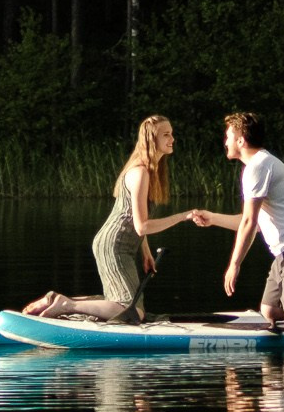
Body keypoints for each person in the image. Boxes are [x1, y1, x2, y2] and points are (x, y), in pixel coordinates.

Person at [22, 112, 191, 322]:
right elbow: (142, 226)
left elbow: (135, 218)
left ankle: (54, 300)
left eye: (171, 134)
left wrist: (145, 251)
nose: (172, 139)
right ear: (151, 139)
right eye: (166, 134)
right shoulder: (140, 173)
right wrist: (183, 216)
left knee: (120, 302)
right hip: (115, 245)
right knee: (132, 311)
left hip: (120, 245)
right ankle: (67, 305)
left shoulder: (147, 172)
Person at [188, 110, 284, 330]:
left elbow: (249, 223)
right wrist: (212, 218)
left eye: (228, 137)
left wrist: (234, 265)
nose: (225, 141)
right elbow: (255, 223)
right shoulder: (258, 165)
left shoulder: (257, 166)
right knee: (269, 311)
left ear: (240, 140)